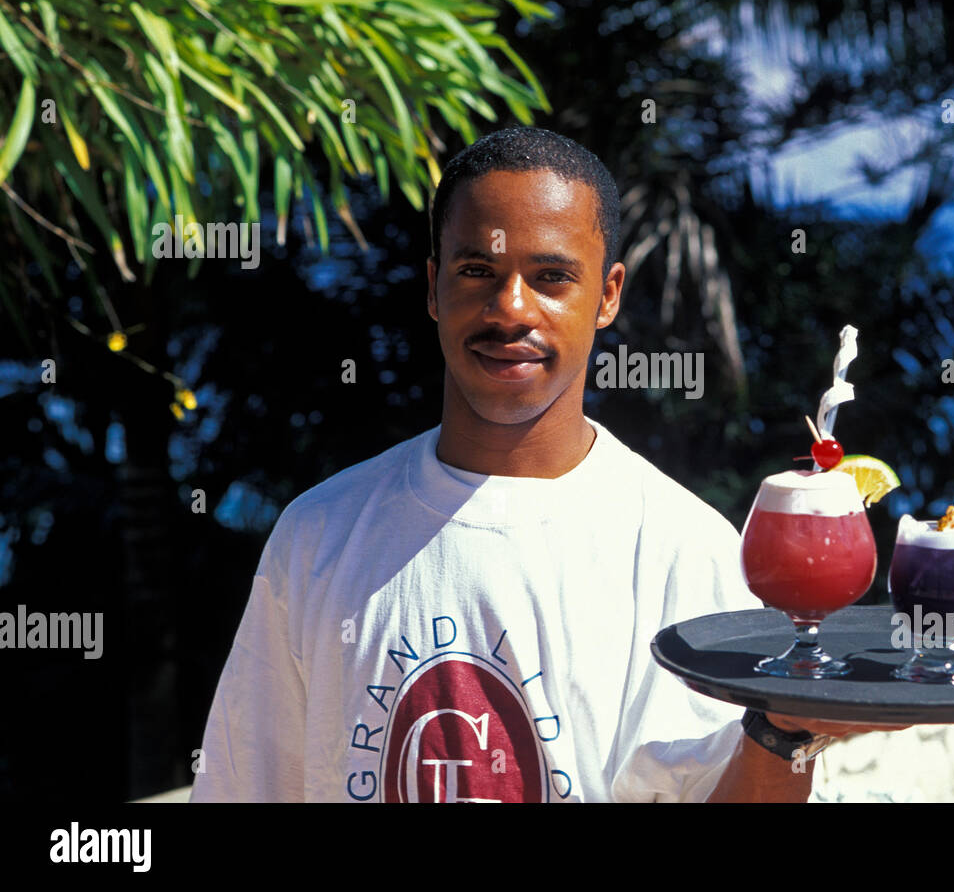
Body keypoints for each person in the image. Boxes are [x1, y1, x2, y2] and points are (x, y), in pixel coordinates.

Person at [191, 126, 899, 804]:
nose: (511, 308)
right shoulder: (319, 535)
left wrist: (784, 734)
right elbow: (246, 783)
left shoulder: (687, 553)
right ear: (434, 287)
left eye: (552, 276)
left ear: (608, 295)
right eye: (478, 270)